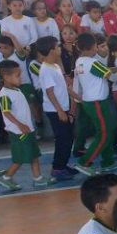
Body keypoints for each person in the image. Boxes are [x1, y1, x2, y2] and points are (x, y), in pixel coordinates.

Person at [0, 60, 54, 190]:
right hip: (19, 132)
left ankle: (38, 178)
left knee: (34, 154)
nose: (20, 78)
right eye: (17, 75)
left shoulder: (16, 89)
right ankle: (6, 178)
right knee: (20, 158)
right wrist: (20, 125)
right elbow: (6, 112)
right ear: (6, 77)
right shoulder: (5, 94)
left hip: (27, 130)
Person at [36, 36, 76, 181]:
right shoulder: (46, 69)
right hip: (55, 110)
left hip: (62, 107)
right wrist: (59, 110)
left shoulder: (56, 66)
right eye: (57, 46)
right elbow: (50, 92)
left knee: (68, 137)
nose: (60, 48)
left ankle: (63, 165)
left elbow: (64, 86)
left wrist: (77, 98)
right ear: (52, 50)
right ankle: (58, 168)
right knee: (63, 139)